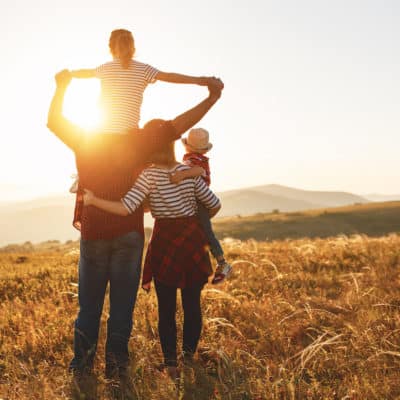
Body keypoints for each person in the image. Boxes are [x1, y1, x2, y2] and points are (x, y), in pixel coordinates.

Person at [47, 69, 223, 380]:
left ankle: (81, 368)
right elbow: (180, 125)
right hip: (128, 233)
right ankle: (116, 369)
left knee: (88, 308)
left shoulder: (85, 136)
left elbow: (55, 121)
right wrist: (211, 97)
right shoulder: (141, 139)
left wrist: (61, 87)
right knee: (121, 310)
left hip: (93, 232)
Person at [82, 140, 221, 379]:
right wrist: (196, 219)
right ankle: (188, 359)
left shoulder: (148, 175)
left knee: (166, 309)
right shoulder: (187, 172)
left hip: (165, 242)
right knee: (192, 305)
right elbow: (214, 204)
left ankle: (171, 365)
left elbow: (126, 208)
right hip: (192, 241)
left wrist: (94, 200)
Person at [68, 28, 216, 192]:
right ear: (133, 48)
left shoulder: (105, 68)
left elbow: (84, 73)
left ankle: (83, 176)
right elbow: (170, 76)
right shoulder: (143, 69)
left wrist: (69, 74)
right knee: (161, 138)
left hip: (102, 137)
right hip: (129, 138)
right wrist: (200, 80)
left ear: (111, 49)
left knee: (88, 145)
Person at [171, 128, 232, 284]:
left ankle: (222, 263)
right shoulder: (194, 157)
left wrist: (182, 174)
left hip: (199, 200)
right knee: (201, 231)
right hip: (195, 199)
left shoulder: (195, 160)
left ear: (187, 145)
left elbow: (198, 171)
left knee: (206, 232)